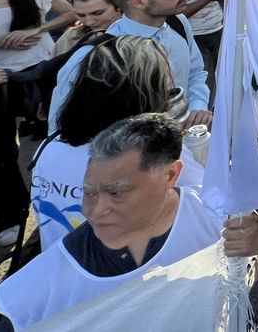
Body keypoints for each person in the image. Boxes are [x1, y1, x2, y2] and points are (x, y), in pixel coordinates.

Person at [0, 113, 258, 327]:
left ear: (170, 175)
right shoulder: (57, 273)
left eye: (117, 192)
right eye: (88, 191)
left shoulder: (215, 214)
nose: (95, 210)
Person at [31, 36, 206, 251]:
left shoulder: (49, 148)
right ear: (146, 99)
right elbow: (213, 211)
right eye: (167, 91)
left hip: (65, 271)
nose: (170, 98)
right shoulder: (157, 158)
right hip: (130, 279)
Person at [48, 0, 212, 135]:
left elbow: (195, 72)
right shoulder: (93, 56)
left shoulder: (177, 22)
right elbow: (59, 124)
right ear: (138, 1)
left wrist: (197, 106)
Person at [0, 0, 75, 247]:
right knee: (2, 154)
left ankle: (61, 199)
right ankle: (10, 215)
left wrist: (38, 29)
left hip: (45, 71)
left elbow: (71, 13)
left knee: (61, 137)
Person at [53, 0, 121, 57]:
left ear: (120, 6)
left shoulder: (138, 35)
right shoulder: (70, 38)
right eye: (81, 15)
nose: (89, 22)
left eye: (97, 13)